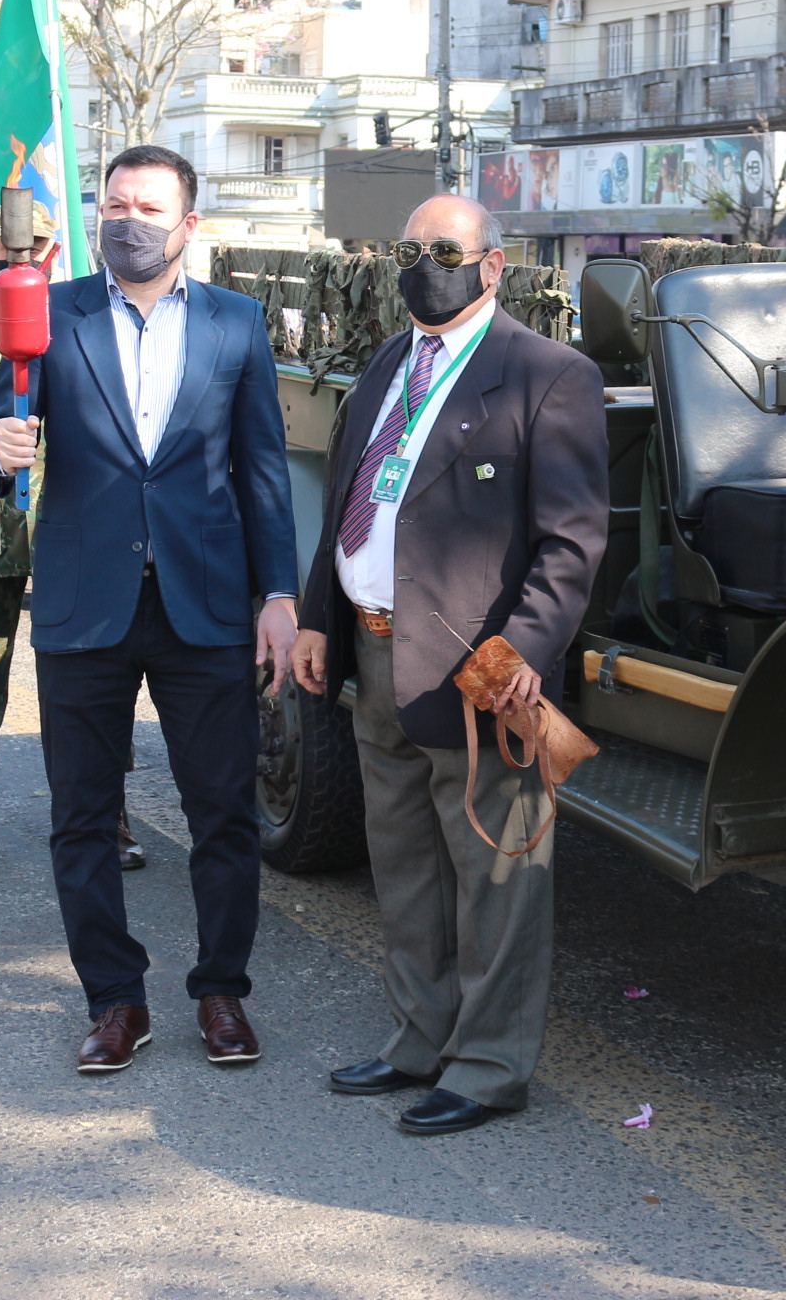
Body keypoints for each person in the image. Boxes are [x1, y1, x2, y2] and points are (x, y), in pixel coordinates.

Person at [291, 193, 610, 1137]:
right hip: (376, 654)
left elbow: (572, 542)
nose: (425, 263)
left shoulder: (548, 376)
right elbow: (351, 501)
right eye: (411, 248)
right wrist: (319, 619)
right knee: (404, 868)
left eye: (445, 249)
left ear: (493, 265)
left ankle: (487, 1066)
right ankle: (418, 1040)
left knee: (497, 882)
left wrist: (522, 655)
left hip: (481, 678)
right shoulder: (391, 360)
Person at [0, 145, 301, 1074]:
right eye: (116, 203)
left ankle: (222, 991)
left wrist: (277, 595)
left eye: (151, 208)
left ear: (188, 225)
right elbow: (0, 437)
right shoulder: (53, 312)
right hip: (87, 604)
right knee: (83, 818)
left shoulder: (237, 325)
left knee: (224, 815)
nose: (132, 219)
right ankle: (114, 1000)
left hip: (205, 606)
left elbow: (263, 472)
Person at [0, 202, 148, 877]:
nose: (22, 256)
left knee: (96, 681)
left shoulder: (83, 325)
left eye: (37, 244)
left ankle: (110, 817)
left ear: (55, 251)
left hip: (73, 532)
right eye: (10, 247)